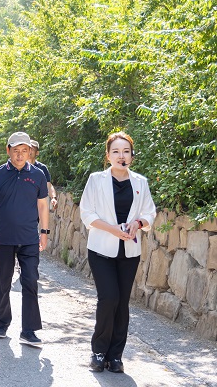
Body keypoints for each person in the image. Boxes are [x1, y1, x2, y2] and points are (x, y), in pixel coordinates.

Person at [80, 131, 156, 373]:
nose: (121, 156)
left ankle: (115, 356)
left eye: (125, 151)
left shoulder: (140, 182)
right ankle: (98, 352)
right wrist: (112, 229)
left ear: (132, 155)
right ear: (108, 155)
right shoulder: (96, 180)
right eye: (116, 151)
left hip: (129, 251)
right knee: (109, 298)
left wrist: (139, 223)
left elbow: (150, 212)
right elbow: (87, 213)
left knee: (122, 303)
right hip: (101, 249)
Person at [0, 131, 49, 346]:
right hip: (2, 238)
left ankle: (28, 330)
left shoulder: (38, 175)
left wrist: (44, 232)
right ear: (8, 151)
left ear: (30, 152)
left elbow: (43, 205)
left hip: (29, 238)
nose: (20, 155)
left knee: (30, 281)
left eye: (24, 150)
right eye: (16, 150)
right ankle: (2, 322)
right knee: (2, 282)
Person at [30, 140, 58, 211]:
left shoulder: (42, 168)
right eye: (28, 149)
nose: (30, 151)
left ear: (37, 153)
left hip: (38, 205)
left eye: (32, 149)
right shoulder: (19, 166)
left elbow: (48, 185)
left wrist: (53, 198)